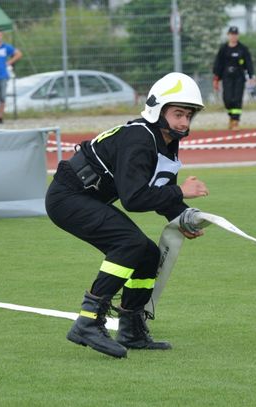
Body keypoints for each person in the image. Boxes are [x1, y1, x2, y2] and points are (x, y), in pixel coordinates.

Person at [45, 72, 209, 359]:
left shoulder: (165, 140)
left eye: (189, 115)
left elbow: (160, 189)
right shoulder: (140, 138)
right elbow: (134, 199)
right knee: (129, 244)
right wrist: (181, 193)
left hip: (87, 197)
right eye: (178, 113)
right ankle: (88, 321)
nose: (184, 121)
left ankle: (131, 328)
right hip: (68, 198)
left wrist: (182, 217)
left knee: (146, 253)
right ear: (158, 110)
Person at [212, 26, 255, 130]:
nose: (233, 36)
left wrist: (251, 75)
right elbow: (218, 64)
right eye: (231, 34)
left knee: (237, 99)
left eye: (235, 34)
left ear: (238, 35)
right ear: (228, 35)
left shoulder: (243, 49)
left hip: (239, 77)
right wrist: (216, 78)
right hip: (227, 77)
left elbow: (249, 63)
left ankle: (235, 121)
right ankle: (231, 117)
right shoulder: (223, 49)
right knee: (227, 99)